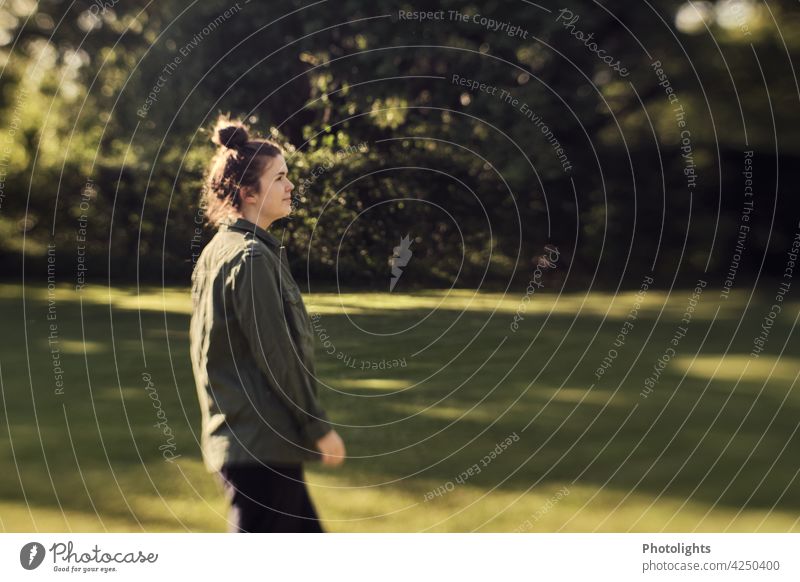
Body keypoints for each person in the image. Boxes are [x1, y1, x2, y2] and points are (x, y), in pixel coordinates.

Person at [189, 115, 346, 532]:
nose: (291, 186)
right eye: (279, 178)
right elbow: (277, 354)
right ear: (248, 193)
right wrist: (317, 426)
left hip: (252, 442)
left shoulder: (219, 252)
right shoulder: (251, 259)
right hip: (260, 445)